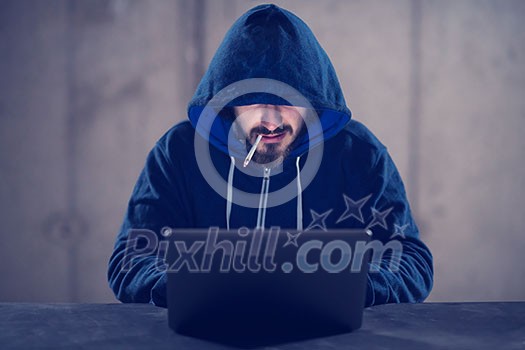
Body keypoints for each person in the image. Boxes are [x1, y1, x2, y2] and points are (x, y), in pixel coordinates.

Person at [108, 4, 433, 308]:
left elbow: (409, 258)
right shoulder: (177, 152)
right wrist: (184, 287)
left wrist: (351, 288)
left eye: (287, 100)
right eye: (253, 100)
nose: (271, 120)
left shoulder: (360, 154)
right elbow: (131, 256)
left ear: (314, 100)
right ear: (227, 101)